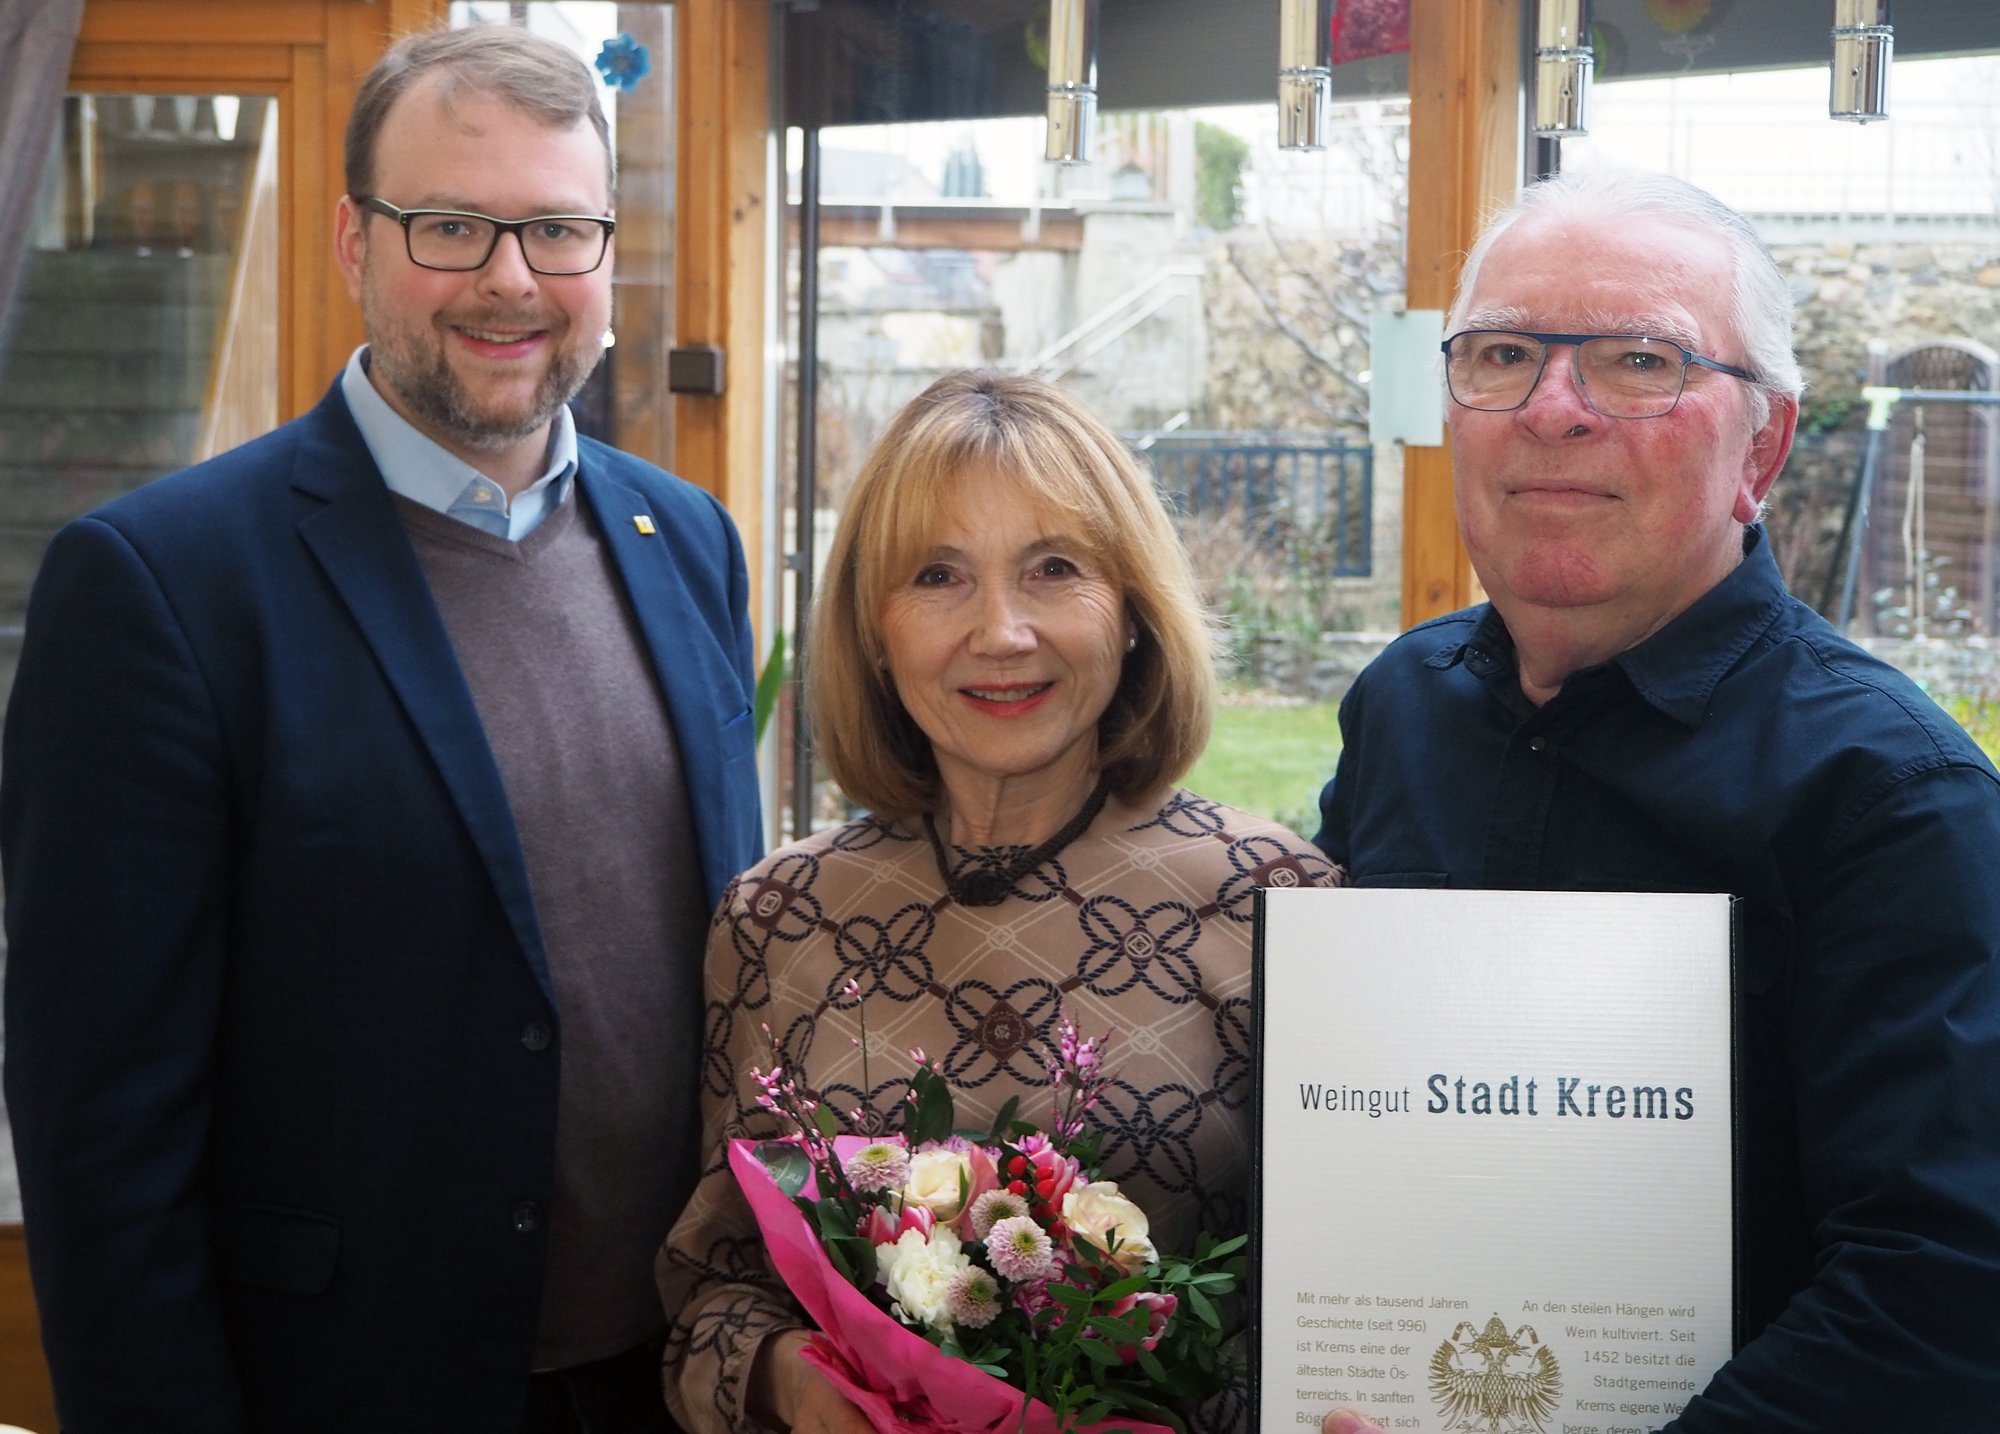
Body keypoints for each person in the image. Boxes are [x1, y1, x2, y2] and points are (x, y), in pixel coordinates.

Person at [1, 26, 761, 1434]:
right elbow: (100, 1137)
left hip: (681, 1383)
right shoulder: (162, 585)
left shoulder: (691, 541)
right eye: (451, 225)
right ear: (354, 239)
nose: (510, 279)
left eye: (556, 228)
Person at [1314, 167, 2000, 1434]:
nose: (1551, 409)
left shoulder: (1894, 800)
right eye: (1504, 353)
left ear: (1764, 445)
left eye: (1637, 361)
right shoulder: (1398, 707)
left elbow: (1943, 1297)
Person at [658, 371, 1340, 1434]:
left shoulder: (1275, 902)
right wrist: (787, 1379)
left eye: (1054, 569)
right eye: (937, 576)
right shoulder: (774, 916)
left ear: (1131, 614)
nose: (1002, 631)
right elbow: (711, 1294)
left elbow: (1344, 1311)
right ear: (873, 632)